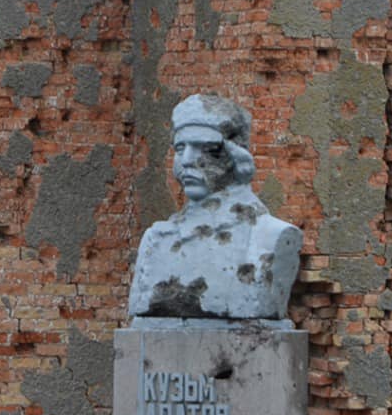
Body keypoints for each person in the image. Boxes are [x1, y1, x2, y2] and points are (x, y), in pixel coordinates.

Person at [128, 94, 301, 320]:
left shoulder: (270, 236)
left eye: (203, 148)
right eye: (180, 148)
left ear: (234, 156)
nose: (187, 160)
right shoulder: (156, 239)